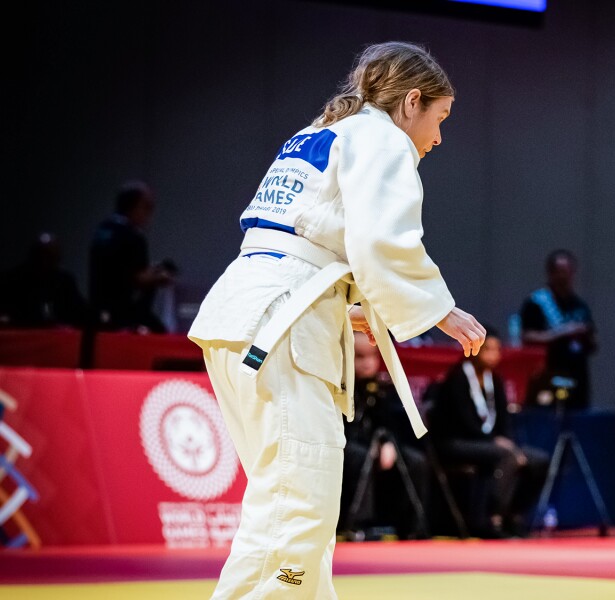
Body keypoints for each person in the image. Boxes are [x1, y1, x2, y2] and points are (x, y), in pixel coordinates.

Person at [187, 41, 486, 599]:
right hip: (279, 332)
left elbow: (296, 243)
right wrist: (439, 309)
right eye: (439, 119)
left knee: (283, 503)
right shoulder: (381, 138)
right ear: (411, 101)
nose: (438, 138)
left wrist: (341, 310)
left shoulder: (321, 131)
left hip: (246, 314)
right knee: (299, 505)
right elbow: (381, 241)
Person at [429, 327, 549, 538]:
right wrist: (495, 442)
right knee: (505, 455)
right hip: (456, 442)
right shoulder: (458, 378)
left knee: (538, 460)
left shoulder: (496, 380)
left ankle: (514, 514)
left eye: (497, 349)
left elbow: (503, 420)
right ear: (474, 350)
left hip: (490, 443)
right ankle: (489, 519)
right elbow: (462, 422)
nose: (493, 355)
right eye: (487, 349)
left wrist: (507, 441)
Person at [337, 331, 431, 541]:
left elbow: (389, 424)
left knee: (416, 460)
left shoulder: (382, 388)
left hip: (377, 447)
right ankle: (360, 525)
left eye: (372, 356)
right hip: (346, 445)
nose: (367, 363)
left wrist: (388, 442)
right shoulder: (338, 387)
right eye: (359, 357)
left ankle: (412, 526)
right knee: (362, 456)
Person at [88, 180, 176, 333]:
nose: (150, 214)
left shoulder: (102, 231)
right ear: (133, 206)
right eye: (147, 207)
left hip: (99, 312)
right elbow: (135, 278)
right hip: (126, 317)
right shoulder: (132, 236)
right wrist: (160, 277)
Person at [519, 249, 598, 410]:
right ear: (550, 273)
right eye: (560, 272)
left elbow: (593, 341)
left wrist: (585, 337)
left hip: (577, 375)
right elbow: (527, 336)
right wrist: (562, 333)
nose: (564, 277)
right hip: (548, 373)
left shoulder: (579, 305)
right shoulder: (537, 302)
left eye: (568, 272)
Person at [0, 232, 89, 329]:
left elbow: (80, 311)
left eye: (50, 257)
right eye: (41, 255)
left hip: (58, 339)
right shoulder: (13, 280)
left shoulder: (64, 281)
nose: (45, 261)